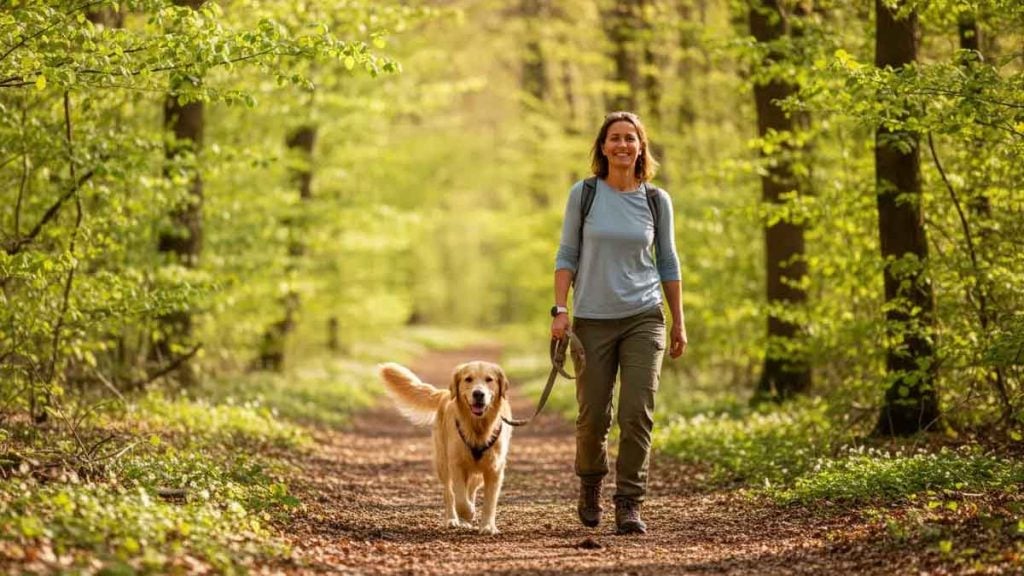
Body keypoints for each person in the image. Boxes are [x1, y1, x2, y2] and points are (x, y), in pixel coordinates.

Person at [551, 111, 687, 535]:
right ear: (603, 146)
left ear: (641, 147)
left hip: (645, 318)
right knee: (593, 417)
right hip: (591, 319)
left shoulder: (655, 200)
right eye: (615, 138)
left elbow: (667, 261)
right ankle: (590, 483)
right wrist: (560, 310)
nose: (623, 145)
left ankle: (629, 502)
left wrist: (679, 322)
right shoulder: (585, 193)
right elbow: (566, 253)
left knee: (636, 413)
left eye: (631, 138)